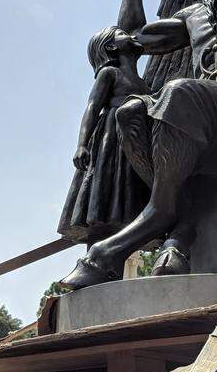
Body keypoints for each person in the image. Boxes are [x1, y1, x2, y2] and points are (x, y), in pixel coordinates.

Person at [56, 25, 151, 244]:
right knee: (105, 199)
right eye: (123, 34)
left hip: (137, 141)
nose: (132, 35)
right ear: (111, 47)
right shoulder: (109, 74)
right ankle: (97, 248)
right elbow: (92, 107)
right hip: (112, 139)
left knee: (129, 200)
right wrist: (82, 144)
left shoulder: (144, 84)